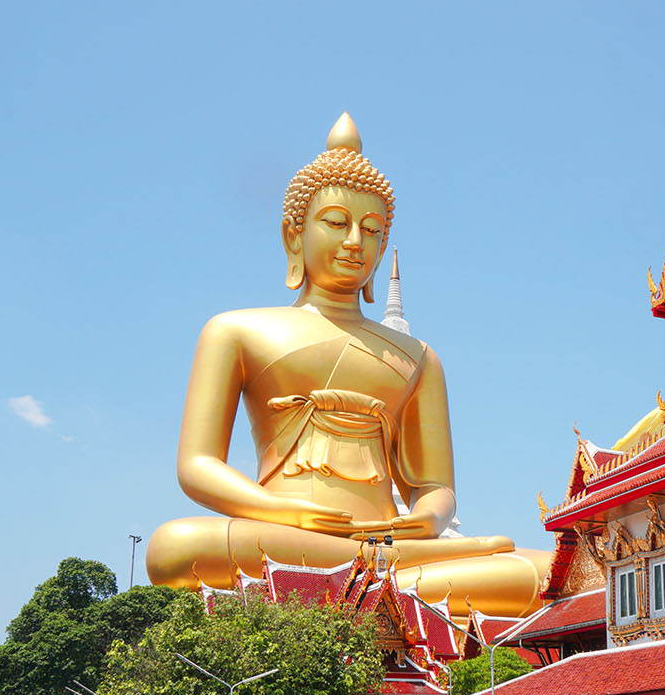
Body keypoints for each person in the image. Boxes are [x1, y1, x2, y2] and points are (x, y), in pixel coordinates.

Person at [144, 113, 548, 617]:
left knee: (542, 569)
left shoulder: (418, 357)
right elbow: (197, 466)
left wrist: (424, 520)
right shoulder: (235, 330)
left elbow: (435, 487)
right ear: (294, 236)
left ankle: (373, 575)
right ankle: (376, 579)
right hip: (284, 536)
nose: (355, 241)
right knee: (174, 546)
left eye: (373, 230)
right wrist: (283, 511)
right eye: (336, 223)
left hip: (394, 548)